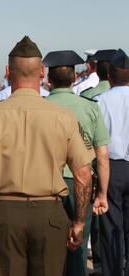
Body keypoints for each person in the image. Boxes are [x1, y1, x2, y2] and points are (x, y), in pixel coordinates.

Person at [0, 36, 95, 276]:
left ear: (7, 71)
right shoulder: (64, 117)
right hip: (49, 215)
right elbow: (84, 174)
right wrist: (79, 222)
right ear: (41, 72)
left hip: (5, 215)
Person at [43, 50, 111, 276]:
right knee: (78, 245)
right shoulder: (89, 107)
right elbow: (101, 154)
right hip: (80, 183)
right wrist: (102, 192)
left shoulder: (40, 108)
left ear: (48, 79)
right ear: (74, 78)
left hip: (46, 185)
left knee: (48, 249)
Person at [97, 49, 129, 276]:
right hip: (116, 165)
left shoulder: (100, 101)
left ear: (109, 76)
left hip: (111, 167)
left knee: (110, 229)